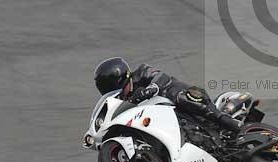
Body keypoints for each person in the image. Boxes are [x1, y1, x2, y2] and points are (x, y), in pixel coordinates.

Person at [94, 57, 242, 133]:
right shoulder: (124, 101)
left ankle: (226, 121)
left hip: (181, 95)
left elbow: (161, 77)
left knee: (181, 96)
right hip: (168, 120)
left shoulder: (141, 73)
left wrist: (152, 87)